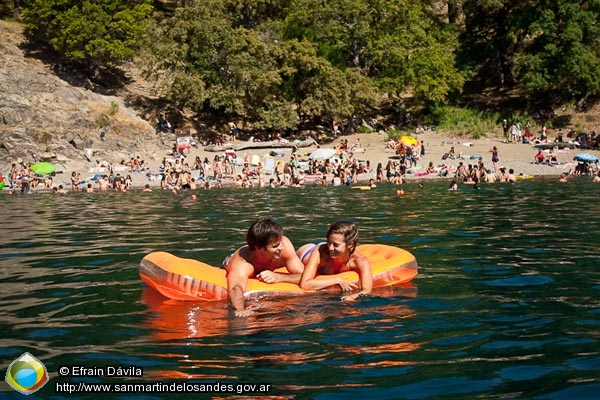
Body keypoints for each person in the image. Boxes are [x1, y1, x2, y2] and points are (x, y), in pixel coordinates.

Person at [222, 218, 304, 317]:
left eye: (280, 242)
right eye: (275, 246)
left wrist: (279, 277)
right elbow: (236, 287)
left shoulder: (284, 245)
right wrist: (241, 310)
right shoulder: (243, 262)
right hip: (229, 266)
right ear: (258, 248)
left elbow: (304, 276)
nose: (281, 248)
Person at [296, 220, 372, 301]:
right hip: (307, 252)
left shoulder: (361, 261)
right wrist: (337, 280)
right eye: (329, 243)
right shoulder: (320, 252)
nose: (330, 248)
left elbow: (366, 290)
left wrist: (352, 297)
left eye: (336, 245)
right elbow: (305, 284)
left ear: (350, 245)